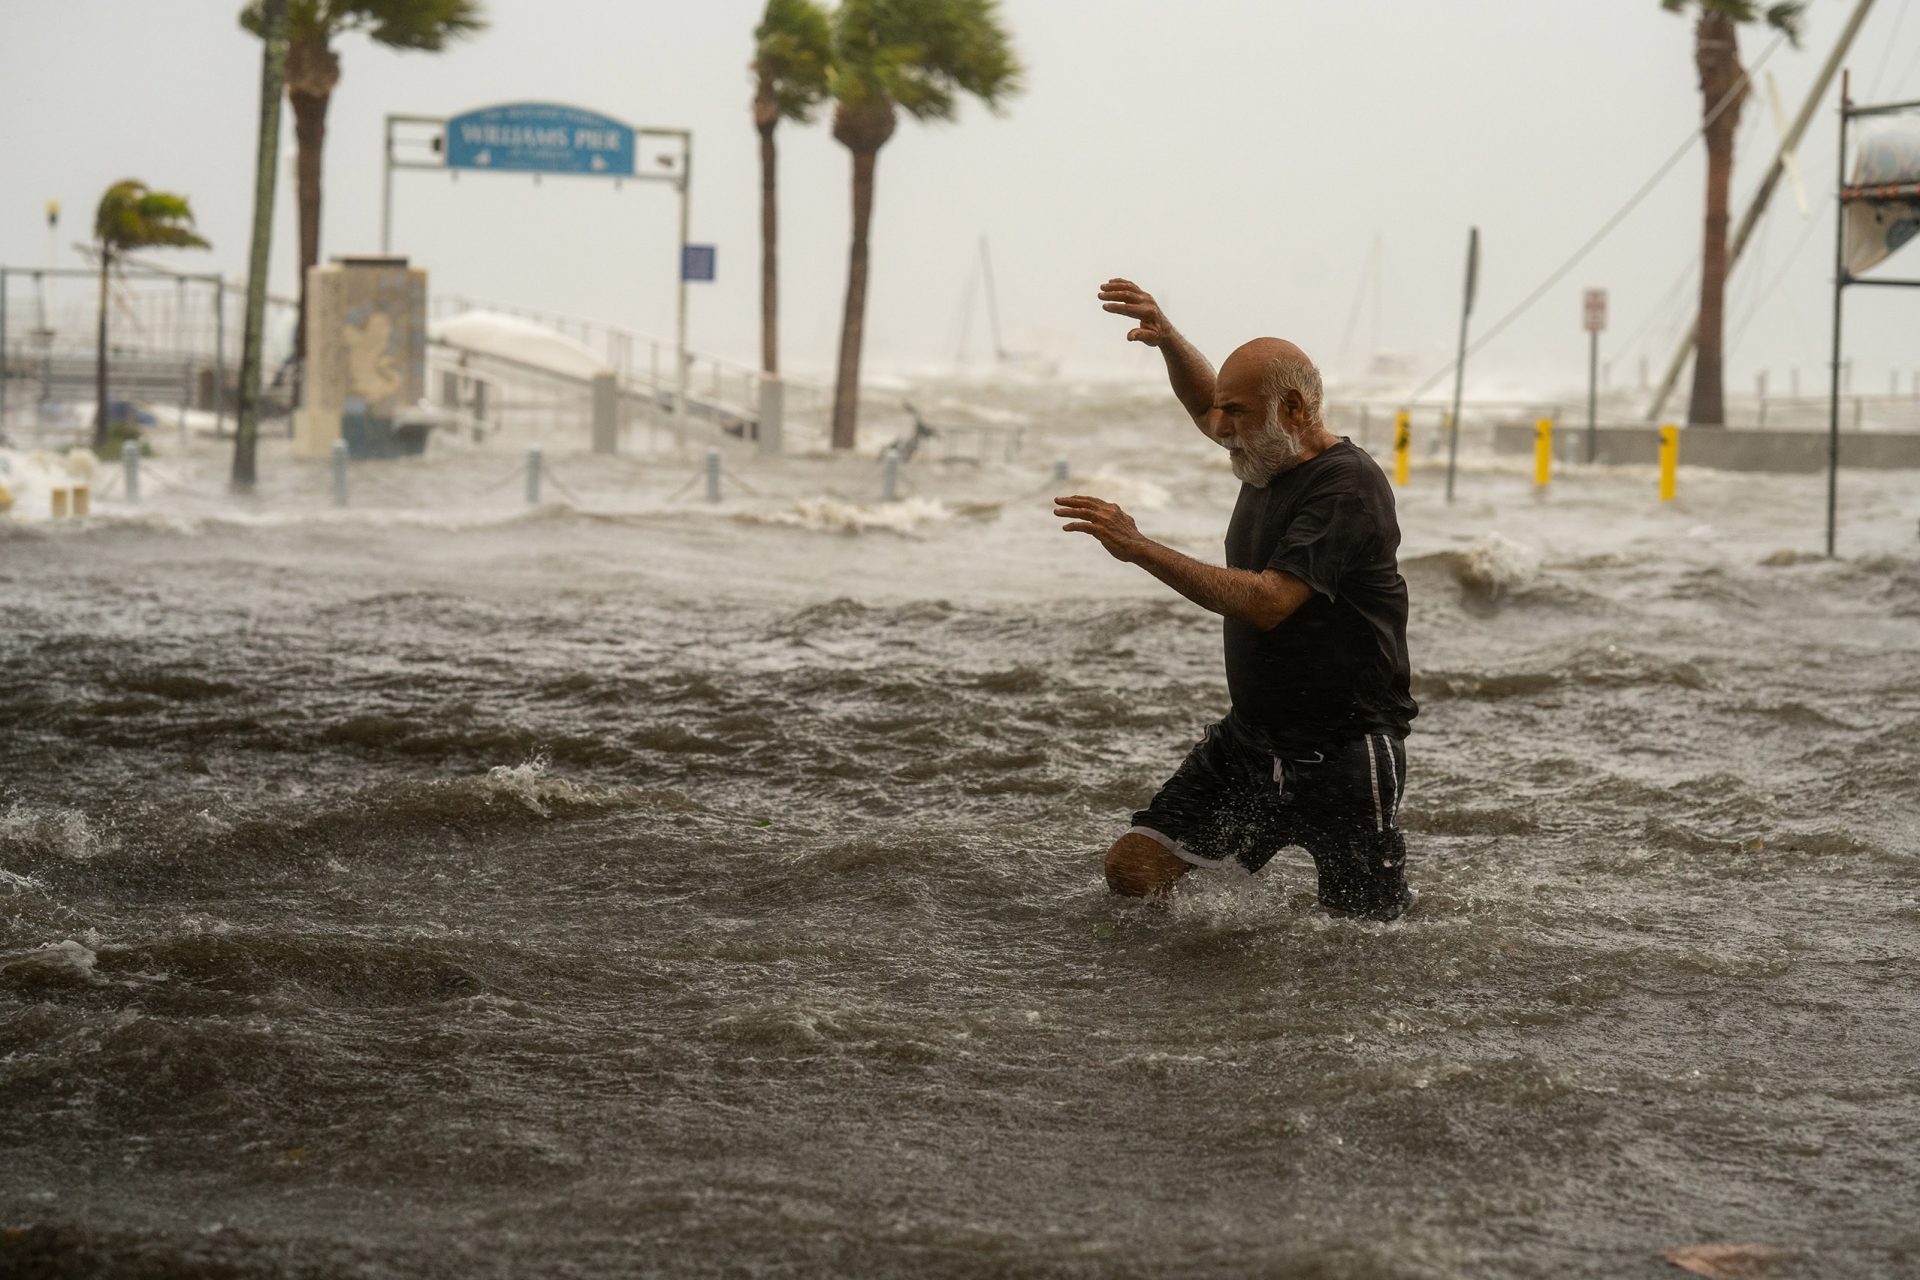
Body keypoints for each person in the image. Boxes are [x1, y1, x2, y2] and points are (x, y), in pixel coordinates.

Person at [1054, 279, 1418, 920]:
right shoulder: (1264, 453)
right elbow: (1204, 405)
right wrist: (1168, 339)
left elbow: (1270, 601)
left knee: (1363, 938)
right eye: (1225, 413)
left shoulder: (1346, 487)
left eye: (1239, 414)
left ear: (1298, 410)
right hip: (1251, 745)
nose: (1221, 429)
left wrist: (1141, 548)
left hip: (1345, 754)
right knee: (1135, 868)